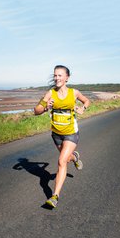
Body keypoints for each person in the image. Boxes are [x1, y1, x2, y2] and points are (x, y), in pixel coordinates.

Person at [34, 65, 90, 208]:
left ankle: (54, 196)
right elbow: (36, 111)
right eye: (55, 75)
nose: (57, 78)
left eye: (60, 75)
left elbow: (86, 101)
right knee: (66, 159)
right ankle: (75, 157)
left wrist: (82, 108)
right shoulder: (50, 93)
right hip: (56, 134)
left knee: (61, 161)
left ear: (67, 78)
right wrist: (46, 106)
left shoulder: (74, 93)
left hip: (71, 133)